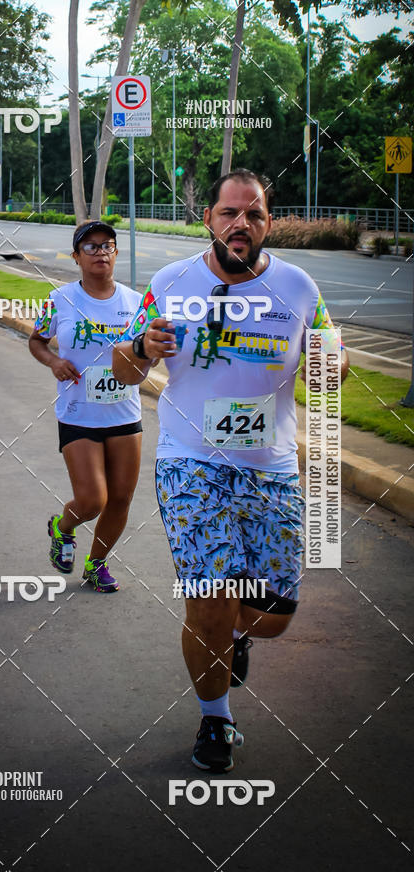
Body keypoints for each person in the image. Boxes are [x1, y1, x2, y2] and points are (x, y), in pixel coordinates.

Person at [113, 169, 349, 771]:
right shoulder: (171, 282)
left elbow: (330, 370)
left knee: (270, 618)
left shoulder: (297, 288)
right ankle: (215, 718)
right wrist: (143, 349)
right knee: (210, 598)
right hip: (190, 463)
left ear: (268, 225)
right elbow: (121, 371)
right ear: (209, 220)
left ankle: (239, 637)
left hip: (271, 468)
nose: (241, 224)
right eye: (229, 213)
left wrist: (333, 363)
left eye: (255, 215)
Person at [29, 221, 142, 592]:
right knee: (94, 499)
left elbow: (146, 353)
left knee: (121, 498)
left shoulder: (135, 303)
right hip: (79, 413)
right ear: (76, 257)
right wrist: (53, 362)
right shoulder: (59, 300)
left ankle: (96, 565)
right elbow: (37, 341)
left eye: (107, 245)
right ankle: (63, 527)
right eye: (90, 247)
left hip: (125, 413)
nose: (100, 253)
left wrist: (147, 360)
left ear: (116, 253)